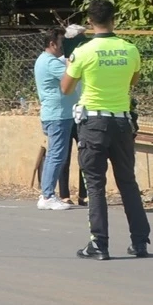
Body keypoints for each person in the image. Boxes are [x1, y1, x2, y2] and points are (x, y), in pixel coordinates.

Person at [62, 0, 151, 260]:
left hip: (94, 123)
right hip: (122, 122)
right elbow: (132, 81)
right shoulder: (130, 49)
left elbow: (65, 89)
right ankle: (140, 241)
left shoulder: (84, 51)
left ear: (89, 22)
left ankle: (99, 243)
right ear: (115, 19)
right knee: (128, 182)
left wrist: (70, 65)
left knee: (95, 184)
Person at [33, 27, 79, 211]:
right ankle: (48, 195)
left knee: (56, 155)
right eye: (62, 43)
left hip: (59, 114)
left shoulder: (46, 60)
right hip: (58, 116)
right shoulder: (51, 63)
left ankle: (47, 193)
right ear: (52, 43)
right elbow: (72, 76)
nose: (63, 47)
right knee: (56, 155)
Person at [58, 24, 89, 205]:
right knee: (64, 155)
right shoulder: (61, 62)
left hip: (82, 112)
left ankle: (84, 195)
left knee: (85, 155)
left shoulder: (85, 58)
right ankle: (64, 194)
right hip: (65, 114)